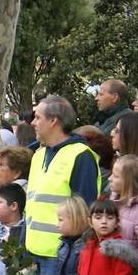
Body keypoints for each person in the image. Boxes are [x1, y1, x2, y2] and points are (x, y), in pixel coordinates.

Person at [24, 95, 100, 263]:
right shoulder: (39, 156)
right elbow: (31, 205)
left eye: (37, 117)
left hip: (61, 257)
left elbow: (85, 210)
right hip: (32, 252)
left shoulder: (81, 155)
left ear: (53, 121)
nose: (33, 123)